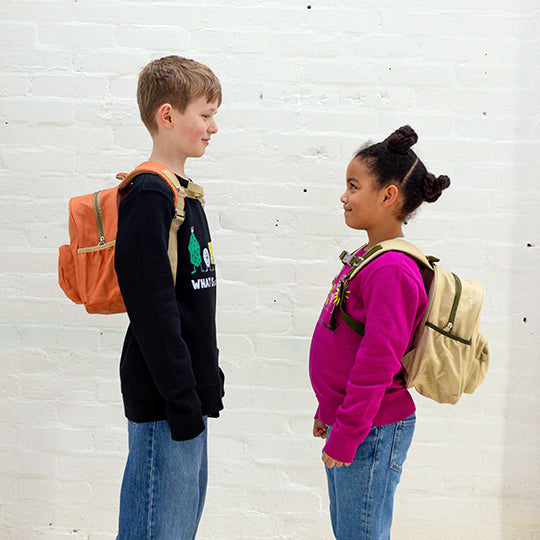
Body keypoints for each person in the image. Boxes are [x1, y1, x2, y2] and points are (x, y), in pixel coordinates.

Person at [309, 126, 450, 539]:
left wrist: (348, 431)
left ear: (388, 195)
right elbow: (346, 338)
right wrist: (330, 412)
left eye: (354, 187)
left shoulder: (393, 269)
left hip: (372, 429)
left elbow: (378, 359)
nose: (344, 196)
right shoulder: (371, 257)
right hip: (355, 423)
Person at [114, 55, 225, 540]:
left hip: (185, 397)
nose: (213, 127)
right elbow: (152, 308)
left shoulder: (184, 194)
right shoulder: (149, 195)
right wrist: (182, 397)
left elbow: (193, 303)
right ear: (167, 115)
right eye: (204, 114)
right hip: (166, 400)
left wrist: (206, 382)